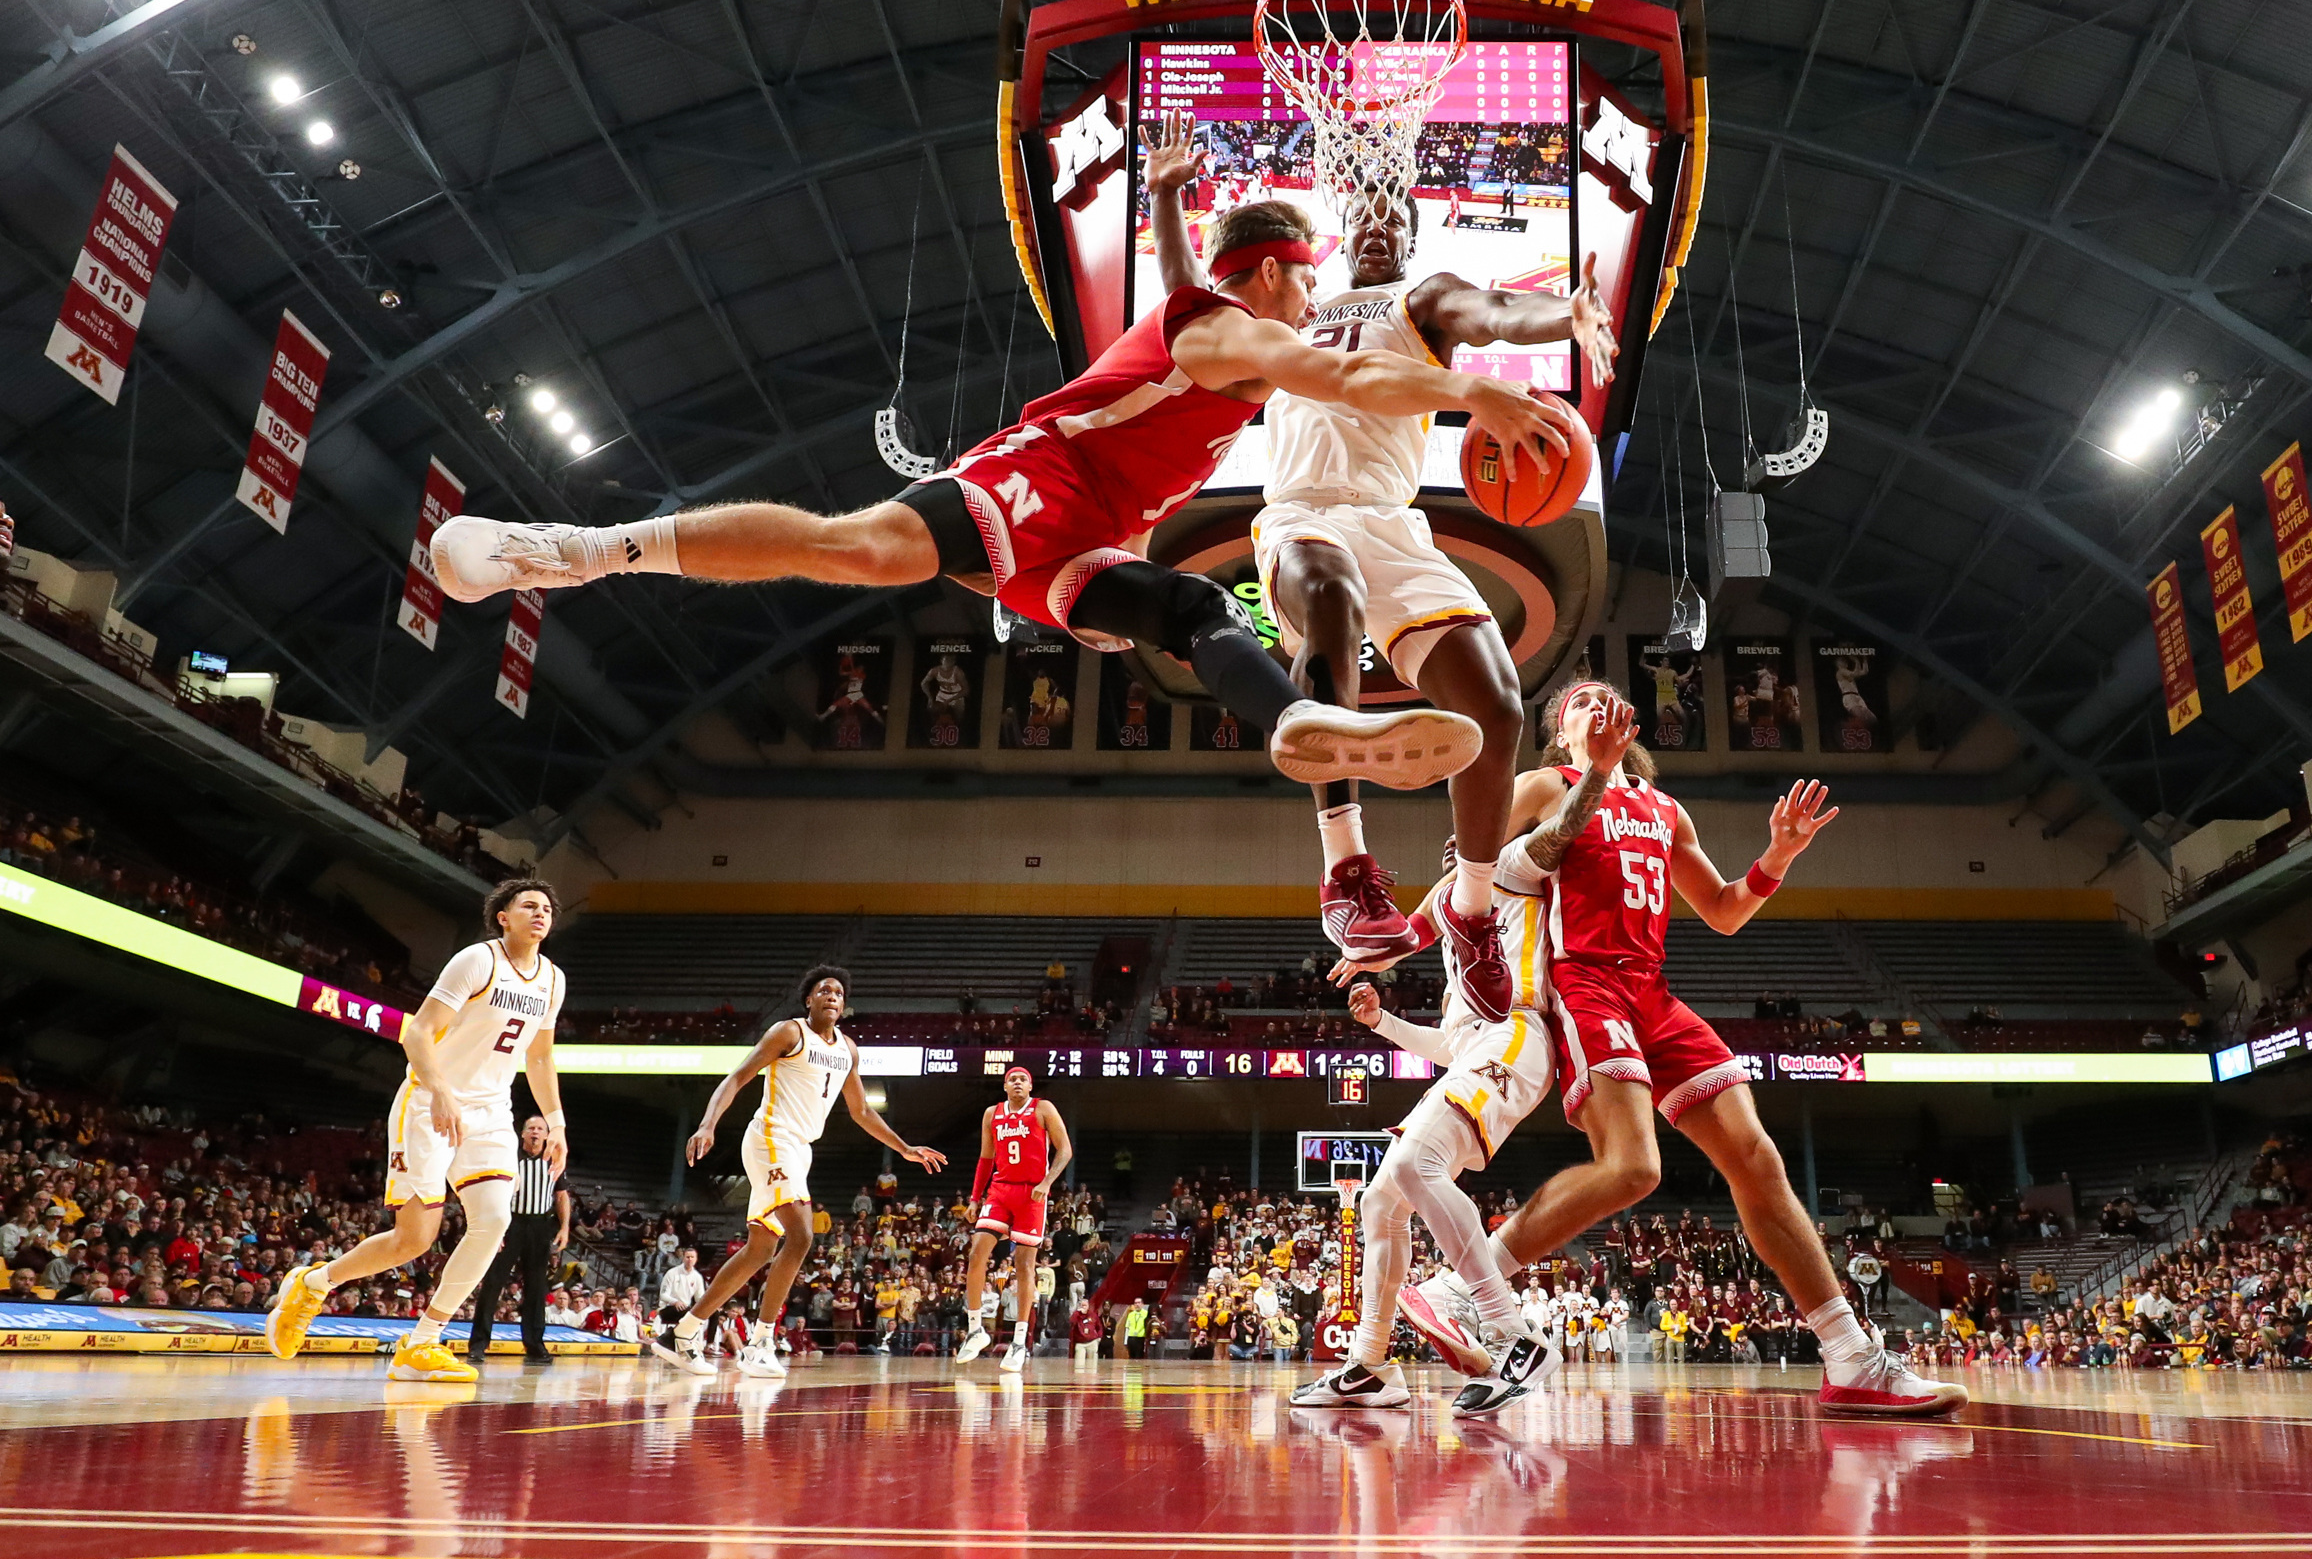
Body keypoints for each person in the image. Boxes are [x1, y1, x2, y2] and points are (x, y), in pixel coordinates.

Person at [427, 195, 1568, 803]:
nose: (1313, 292)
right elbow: (1353, 374)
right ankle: (585, 548)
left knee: (1192, 615)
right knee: (860, 551)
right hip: (1040, 478)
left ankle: (1298, 724)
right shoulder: (1226, 329)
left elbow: (1304, 345)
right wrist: (1476, 387)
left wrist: (1169, 199)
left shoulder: (1221, 316)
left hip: (1084, 535)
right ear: (1271, 271)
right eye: (1305, 273)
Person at [1146, 112, 1614, 984]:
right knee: (1330, 593)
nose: (1374, 222)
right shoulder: (1282, 311)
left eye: (1391, 214)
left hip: (1395, 523)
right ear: (1332, 234)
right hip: (1299, 513)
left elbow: (1498, 310)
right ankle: (1348, 868)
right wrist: (1168, 196)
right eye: (1360, 212)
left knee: (1500, 710)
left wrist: (1566, 316)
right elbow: (1186, 308)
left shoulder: (1422, 299)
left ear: (1410, 232)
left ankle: (1472, 910)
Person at [1452, 682, 1965, 1418]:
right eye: (1577, 701)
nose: (1596, 702)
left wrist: (1778, 855)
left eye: (1608, 694)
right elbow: (1477, 862)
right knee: (1633, 1166)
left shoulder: (1667, 810)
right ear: (1560, 735)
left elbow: (1724, 910)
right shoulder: (1545, 784)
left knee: (1757, 1158)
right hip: (1584, 982)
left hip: (1653, 992)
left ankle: (1851, 1354)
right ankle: (1471, 1279)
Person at [1292, 836, 1562, 1416]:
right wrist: (1382, 1020)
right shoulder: (1451, 920)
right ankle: (1370, 1367)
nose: (1452, 845)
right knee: (1381, 1203)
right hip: (1481, 1046)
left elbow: (1558, 828)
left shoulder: (1518, 875)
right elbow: (1451, 1044)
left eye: (1468, 835)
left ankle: (1510, 1333)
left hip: (1519, 1031)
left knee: (1418, 1164)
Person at [264, 878, 570, 1382]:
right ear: (503, 917)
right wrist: (443, 1090)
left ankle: (421, 1343)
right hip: (430, 1100)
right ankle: (315, 1283)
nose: (541, 913)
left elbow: (539, 1055)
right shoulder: (478, 960)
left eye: (547, 908)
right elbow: (418, 1032)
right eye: (529, 905)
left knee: (493, 1221)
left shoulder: (554, 980)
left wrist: (556, 1122)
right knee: (415, 1240)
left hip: (492, 1111)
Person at [652, 967, 948, 1378]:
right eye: (823, 990)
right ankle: (760, 1343)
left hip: (798, 1149)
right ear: (808, 1000)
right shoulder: (788, 1032)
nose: (832, 996)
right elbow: (738, 1075)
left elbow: (861, 1111)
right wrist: (707, 1123)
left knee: (760, 1249)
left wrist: (905, 1148)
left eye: (839, 993)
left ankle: (681, 1333)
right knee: (803, 1235)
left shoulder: (848, 1048)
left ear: (844, 1006)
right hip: (771, 1137)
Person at [958, 1065, 1073, 1372]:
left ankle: (1020, 1341)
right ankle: (975, 1329)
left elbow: (1065, 1151)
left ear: (1031, 1086)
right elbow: (986, 1158)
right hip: (1000, 1190)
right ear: (1005, 1086)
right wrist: (973, 1198)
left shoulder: (1043, 1108)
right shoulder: (991, 1113)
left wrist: (1047, 1183)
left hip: (1032, 1193)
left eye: (1023, 1078)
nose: (1018, 1082)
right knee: (976, 1253)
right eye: (1013, 1079)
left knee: (1024, 1264)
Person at [462, 1115, 573, 1365]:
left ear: (547, 1135)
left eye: (540, 1129)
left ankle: (534, 1345)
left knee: (536, 1288)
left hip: (539, 1225)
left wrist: (565, 1227)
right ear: (522, 1134)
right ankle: (478, 1345)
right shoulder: (509, 1159)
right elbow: (493, 1192)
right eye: (531, 1128)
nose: (535, 1132)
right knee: (493, 1283)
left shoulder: (555, 1160)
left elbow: (562, 1196)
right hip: (510, 1223)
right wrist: (495, 1229)